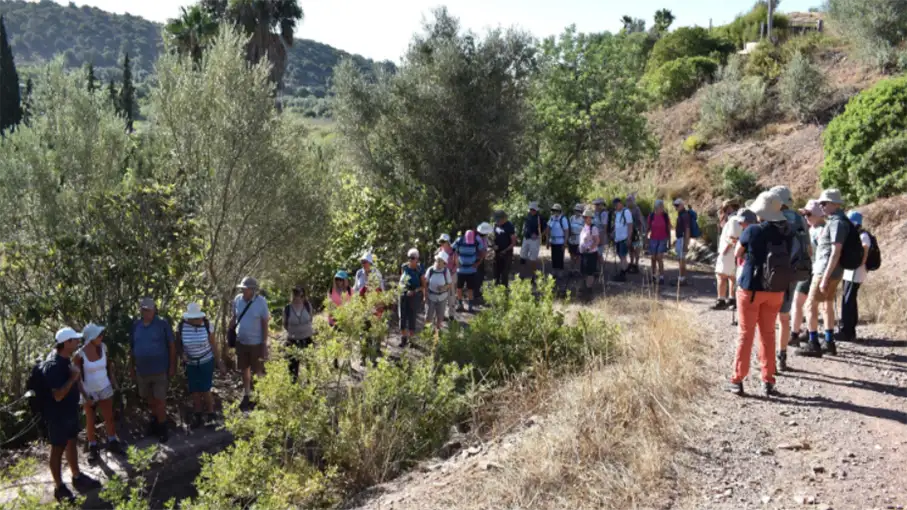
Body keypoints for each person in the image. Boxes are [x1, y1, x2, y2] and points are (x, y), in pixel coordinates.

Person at [728, 192, 792, 397]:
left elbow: (738, 253)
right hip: (776, 290)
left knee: (745, 334)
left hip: (751, 289)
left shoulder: (752, 230)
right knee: (768, 334)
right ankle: (768, 380)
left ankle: (738, 380)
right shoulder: (786, 232)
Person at [44, 327, 100, 502]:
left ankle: (77, 476)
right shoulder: (53, 365)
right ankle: (59, 487)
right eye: (75, 340)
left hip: (70, 410)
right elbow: (57, 395)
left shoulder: (67, 359)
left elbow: (76, 381)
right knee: (57, 448)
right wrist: (72, 379)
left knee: (72, 442)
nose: (78, 342)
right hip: (57, 415)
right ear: (66, 343)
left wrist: (85, 396)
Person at [797, 189, 849, 358]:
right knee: (826, 305)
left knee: (810, 305)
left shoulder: (836, 223)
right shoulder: (837, 221)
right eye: (820, 203)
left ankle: (814, 344)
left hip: (825, 270)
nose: (821, 206)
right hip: (833, 270)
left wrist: (825, 277)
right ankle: (829, 342)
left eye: (824, 203)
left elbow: (835, 251)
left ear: (835, 204)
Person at [772, 186, 812, 372]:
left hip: (774, 272)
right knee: (784, 316)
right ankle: (782, 356)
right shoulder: (799, 219)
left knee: (769, 317)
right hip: (795, 272)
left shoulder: (772, 217)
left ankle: (769, 360)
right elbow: (809, 248)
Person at [76, 323, 123, 463]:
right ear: (91, 338)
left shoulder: (103, 347)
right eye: (98, 335)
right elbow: (77, 377)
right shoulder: (80, 354)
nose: (101, 337)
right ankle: (93, 446)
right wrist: (84, 395)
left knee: (109, 416)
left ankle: (112, 441)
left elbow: (108, 366)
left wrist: (113, 381)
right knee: (90, 420)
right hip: (89, 390)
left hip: (105, 386)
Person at [130, 297, 175, 442]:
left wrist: (172, 365)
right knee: (149, 399)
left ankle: (163, 427)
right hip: (142, 370)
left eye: (149, 310)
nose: (146, 313)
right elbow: (132, 347)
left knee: (160, 400)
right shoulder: (136, 325)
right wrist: (131, 368)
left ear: (154, 310)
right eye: (144, 310)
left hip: (160, 369)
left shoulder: (162, 324)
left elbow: (171, 345)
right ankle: (155, 423)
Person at [177, 303, 223, 428]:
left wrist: (219, 361)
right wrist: (182, 355)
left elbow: (213, 344)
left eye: (198, 317)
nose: (198, 320)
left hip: (206, 361)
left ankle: (211, 413)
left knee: (205, 388)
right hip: (190, 363)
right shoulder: (181, 327)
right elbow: (178, 344)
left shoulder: (207, 326)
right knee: (194, 389)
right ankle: (198, 414)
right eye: (194, 318)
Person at [231, 277, 270, 409]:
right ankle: (247, 394)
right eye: (242, 288)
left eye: (245, 288)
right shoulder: (237, 300)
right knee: (244, 369)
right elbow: (234, 317)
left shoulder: (261, 302)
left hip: (256, 343)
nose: (243, 290)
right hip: (241, 342)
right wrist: (230, 331)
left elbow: (265, 323)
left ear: (252, 290)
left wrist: (264, 344)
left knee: (258, 370)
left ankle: (259, 396)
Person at [790, 200, 825, 347]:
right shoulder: (813, 229)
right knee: (808, 305)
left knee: (798, 302)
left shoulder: (820, 230)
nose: (805, 217)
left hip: (812, 270)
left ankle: (795, 334)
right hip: (811, 270)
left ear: (817, 214)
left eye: (808, 214)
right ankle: (805, 333)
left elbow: (814, 252)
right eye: (804, 214)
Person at [840, 211, 871, 343]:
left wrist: (856, 265)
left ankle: (848, 331)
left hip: (856, 272)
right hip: (850, 272)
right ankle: (847, 330)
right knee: (848, 300)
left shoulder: (863, 236)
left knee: (849, 300)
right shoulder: (856, 235)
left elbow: (864, 255)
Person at [282, 287, 314, 382]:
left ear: (303, 296)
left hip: (307, 339)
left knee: (309, 365)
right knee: (293, 369)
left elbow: (310, 319)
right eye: (295, 294)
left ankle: (309, 385)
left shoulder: (308, 306)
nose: (297, 297)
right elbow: (285, 324)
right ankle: (294, 387)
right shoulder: (287, 308)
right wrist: (294, 332)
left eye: (300, 295)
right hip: (292, 341)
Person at [713, 213, 743, 309]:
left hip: (729, 253)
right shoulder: (735, 220)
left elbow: (733, 238)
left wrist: (725, 250)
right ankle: (732, 299)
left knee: (722, 276)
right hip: (733, 252)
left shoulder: (734, 220)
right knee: (732, 276)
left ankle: (721, 300)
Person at [399, 248, 425, 347]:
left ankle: (411, 340)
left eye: (413, 258)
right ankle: (403, 338)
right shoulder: (404, 267)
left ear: (417, 259)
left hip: (415, 295)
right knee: (402, 316)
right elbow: (401, 281)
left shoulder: (420, 269)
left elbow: (423, 285)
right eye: (409, 257)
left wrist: (415, 291)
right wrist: (404, 290)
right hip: (403, 294)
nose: (410, 259)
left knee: (412, 316)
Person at [453, 230, 482, 312]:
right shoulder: (459, 240)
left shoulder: (476, 241)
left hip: (471, 271)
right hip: (460, 270)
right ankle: (460, 305)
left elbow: (482, 252)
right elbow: (453, 250)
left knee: (470, 289)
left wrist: (478, 263)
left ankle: (470, 307)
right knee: (459, 288)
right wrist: (456, 262)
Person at [424, 251, 452, 332]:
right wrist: (425, 295)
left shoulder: (446, 271)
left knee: (440, 317)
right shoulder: (430, 270)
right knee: (428, 316)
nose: (438, 263)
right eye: (437, 261)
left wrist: (444, 287)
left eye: (441, 261)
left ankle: (437, 334)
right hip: (431, 296)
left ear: (444, 263)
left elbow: (450, 284)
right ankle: (427, 333)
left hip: (442, 297)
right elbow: (425, 283)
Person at [647, 200, 671, 285]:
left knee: (659, 257)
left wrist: (669, 241)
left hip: (663, 239)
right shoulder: (651, 216)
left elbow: (668, 229)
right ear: (656, 207)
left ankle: (661, 277)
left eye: (662, 206)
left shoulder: (665, 216)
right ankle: (653, 276)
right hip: (653, 239)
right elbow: (648, 228)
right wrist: (645, 240)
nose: (662, 208)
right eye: (660, 206)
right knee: (653, 257)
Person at [436, 235, 459, 318]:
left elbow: (457, 264)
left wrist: (451, 272)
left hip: (451, 276)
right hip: (440, 275)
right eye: (441, 241)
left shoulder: (453, 252)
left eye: (443, 241)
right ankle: (441, 314)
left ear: (448, 242)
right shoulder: (439, 251)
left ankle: (451, 314)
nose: (441, 243)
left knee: (451, 295)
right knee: (440, 294)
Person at [611, 198, 634, 282]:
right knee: (620, 255)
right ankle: (624, 269)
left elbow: (630, 225)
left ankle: (623, 274)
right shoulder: (617, 213)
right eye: (614, 206)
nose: (615, 207)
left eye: (616, 205)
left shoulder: (626, 212)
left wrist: (629, 238)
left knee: (623, 255)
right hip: (618, 238)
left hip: (624, 238)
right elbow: (617, 225)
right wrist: (613, 232)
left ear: (620, 204)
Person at [520, 202, 545, 280]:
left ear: (536, 210)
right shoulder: (528, 216)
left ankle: (533, 277)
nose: (532, 210)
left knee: (533, 259)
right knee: (522, 257)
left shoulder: (539, 217)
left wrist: (539, 235)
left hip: (534, 240)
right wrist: (523, 230)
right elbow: (525, 225)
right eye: (531, 209)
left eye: (533, 209)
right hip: (526, 238)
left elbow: (546, 228)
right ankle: (522, 275)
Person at [579, 207, 601, 293]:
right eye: (583, 217)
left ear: (590, 218)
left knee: (590, 272)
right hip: (583, 253)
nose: (584, 218)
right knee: (583, 271)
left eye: (585, 217)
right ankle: (584, 287)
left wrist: (589, 248)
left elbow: (597, 241)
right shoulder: (584, 227)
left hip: (591, 253)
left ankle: (589, 288)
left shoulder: (593, 228)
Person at [492, 211, 517, 287]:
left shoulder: (509, 226)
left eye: (498, 220)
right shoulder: (496, 225)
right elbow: (493, 237)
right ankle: (496, 287)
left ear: (504, 218)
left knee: (504, 273)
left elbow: (513, 242)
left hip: (506, 253)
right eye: (496, 220)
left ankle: (504, 289)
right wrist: (493, 245)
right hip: (497, 252)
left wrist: (505, 250)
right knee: (496, 272)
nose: (497, 221)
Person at [673, 198, 692, 285]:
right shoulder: (681, 214)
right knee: (681, 259)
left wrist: (686, 244)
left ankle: (682, 279)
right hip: (680, 239)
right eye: (675, 205)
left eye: (677, 205)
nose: (675, 207)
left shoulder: (684, 215)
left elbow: (687, 229)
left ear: (681, 205)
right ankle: (681, 278)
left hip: (682, 239)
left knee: (681, 260)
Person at [626, 194, 646, 274]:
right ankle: (631, 263)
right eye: (627, 200)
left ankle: (636, 264)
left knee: (637, 248)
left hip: (636, 231)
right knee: (630, 248)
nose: (628, 202)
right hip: (629, 231)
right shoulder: (626, 209)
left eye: (629, 200)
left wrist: (641, 232)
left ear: (633, 201)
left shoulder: (637, 209)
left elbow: (640, 220)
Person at [547, 204, 569, 275]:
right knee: (554, 257)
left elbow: (566, 231)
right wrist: (547, 241)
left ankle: (560, 272)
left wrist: (565, 243)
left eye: (556, 210)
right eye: (553, 210)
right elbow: (548, 229)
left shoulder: (563, 219)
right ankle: (554, 271)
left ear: (559, 211)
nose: (554, 212)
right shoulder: (551, 218)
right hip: (553, 241)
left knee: (560, 257)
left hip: (561, 241)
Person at [476, 222, 493, 299]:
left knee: (481, 275)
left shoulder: (484, 238)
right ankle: (476, 293)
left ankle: (478, 291)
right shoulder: (478, 239)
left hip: (481, 259)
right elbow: (482, 251)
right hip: (478, 259)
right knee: (478, 275)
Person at [591, 198, 609, 268]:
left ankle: (601, 269)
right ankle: (596, 269)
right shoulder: (594, 213)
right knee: (594, 253)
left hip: (600, 236)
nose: (596, 206)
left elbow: (604, 228)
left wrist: (601, 239)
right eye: (595, 204)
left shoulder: (604, 213)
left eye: (598, 204)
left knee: (599, 254)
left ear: (601, 205)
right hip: (594, 236)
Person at [568, 204, 585, 275]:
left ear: (581, 211)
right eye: (576, 210)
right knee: (572, 255)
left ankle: (577, 270)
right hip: (571, 238)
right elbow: (568, 227)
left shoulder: (583, 219)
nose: (577, 211)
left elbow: (585, 229)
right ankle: (572, 269)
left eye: (578, 210)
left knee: (578, 255)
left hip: (579, 239)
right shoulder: (571, 218)